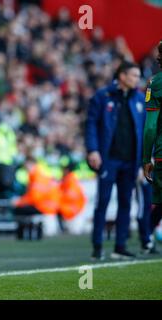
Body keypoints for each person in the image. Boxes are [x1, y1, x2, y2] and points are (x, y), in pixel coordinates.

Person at [85, 61, 146, 260]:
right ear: (122, 76)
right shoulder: (103, 96)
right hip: (108, 158)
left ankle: (120, 246)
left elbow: (145, 131)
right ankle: (97, 246)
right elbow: (91, 124)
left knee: (126, 202)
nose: (137, 80)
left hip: (130, 160)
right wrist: (93, 149)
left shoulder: (138, 99)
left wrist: (143, 161)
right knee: (102, 201)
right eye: (134, 76)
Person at [142, 40, 162, 253]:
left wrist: (146, 159)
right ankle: (147, 232)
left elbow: (150, 128)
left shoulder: (155, 82)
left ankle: (146, 232)